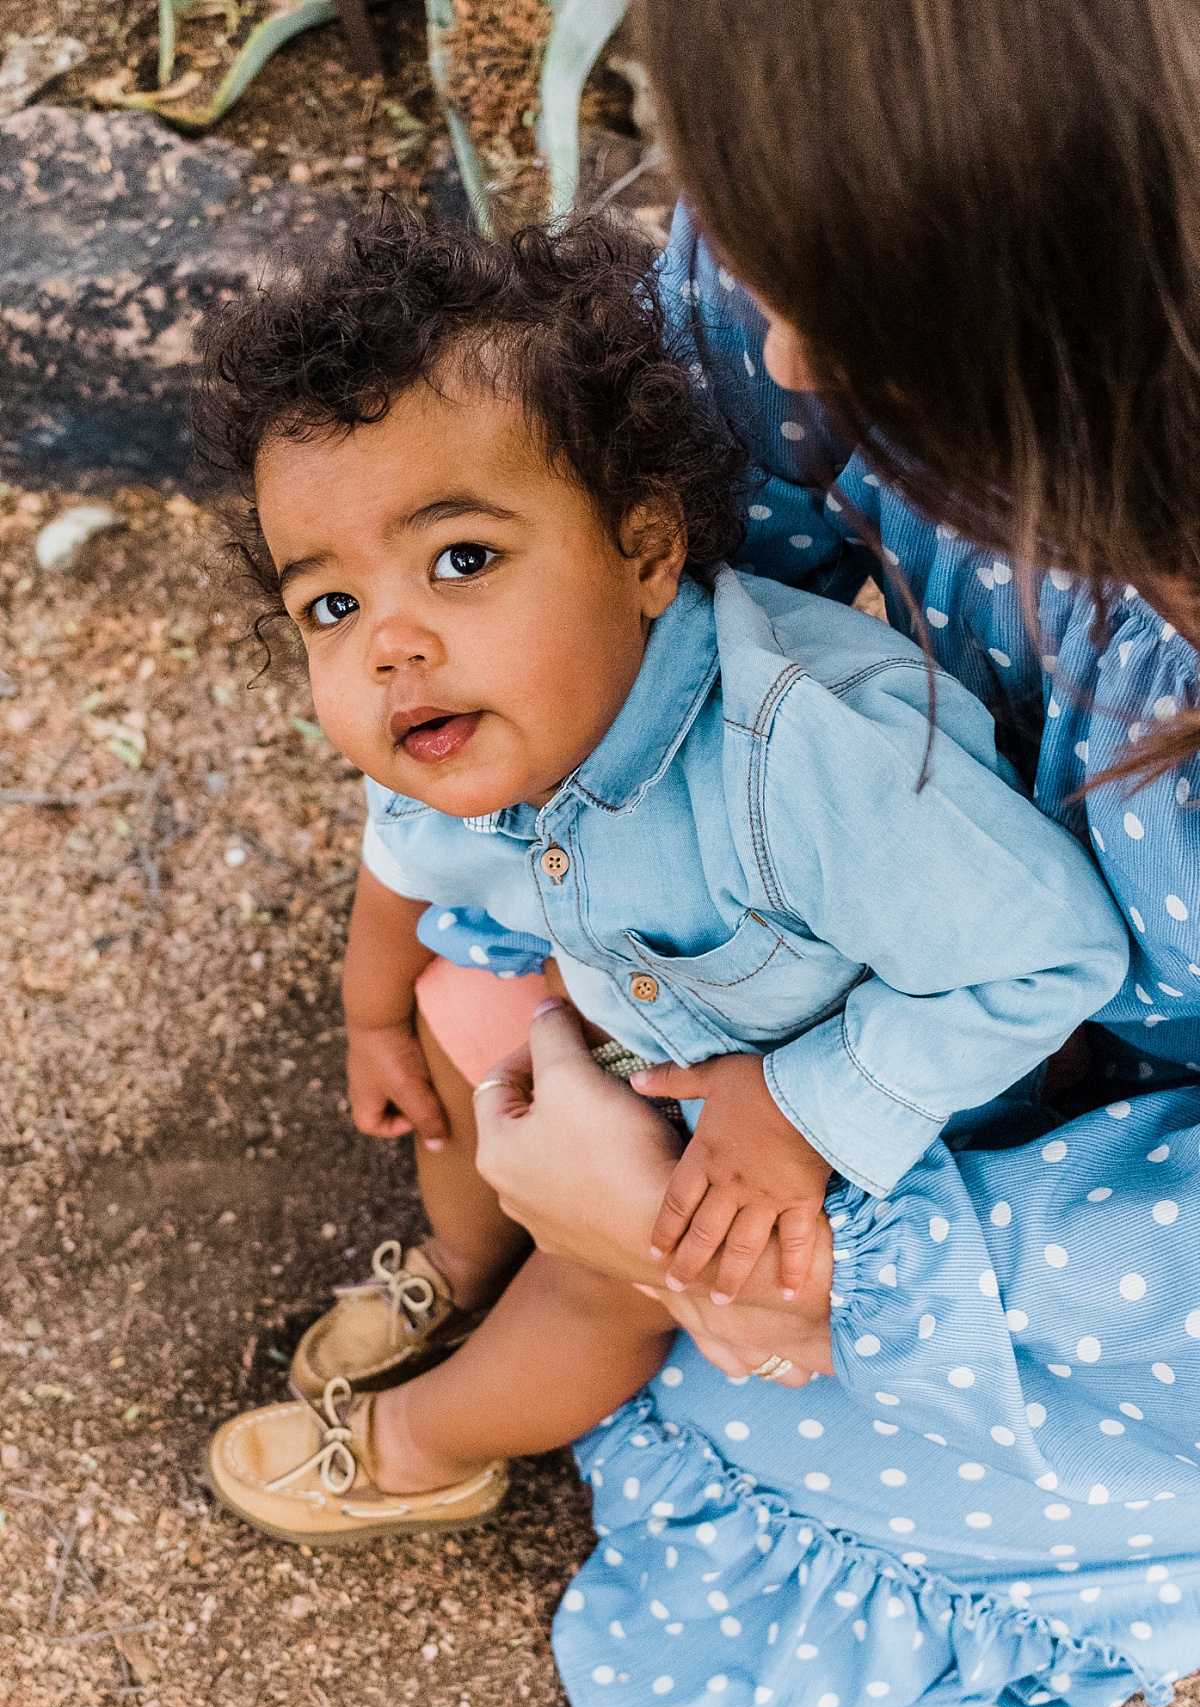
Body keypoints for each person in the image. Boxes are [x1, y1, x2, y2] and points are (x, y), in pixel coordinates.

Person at [465, 0, 1200, 1707]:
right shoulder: (813, 279)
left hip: (1142, 1228)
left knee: (752, 1397)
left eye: (855, 312)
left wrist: (815, 1249)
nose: (785, 357)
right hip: (953, 983)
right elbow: (645, 579)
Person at [193, 207, 1128, 1550]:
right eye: (329, 607)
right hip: (653, 1012)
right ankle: (462, 1259)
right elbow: (401, 844)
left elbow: (1056, 953)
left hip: (843, 1104)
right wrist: (372, 1011)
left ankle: (417, 1444)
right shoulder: (471, 711)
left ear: (642, 551)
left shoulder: (797, 760)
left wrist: (799, 1111)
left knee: (612, 1278)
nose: (390, 642)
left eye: (461, 558)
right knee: (465, 1022)